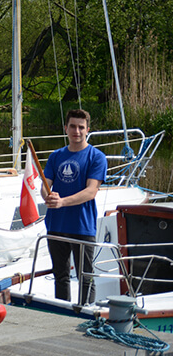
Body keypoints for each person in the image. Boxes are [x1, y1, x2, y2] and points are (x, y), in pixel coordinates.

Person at [42, 109, 107, 304]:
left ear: (88, 130)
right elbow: (45, 186)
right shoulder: (55, 156)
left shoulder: (97, 157)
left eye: (81, 127)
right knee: (60, 276)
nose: (76, 131)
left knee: (85, 278)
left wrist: (62, 202)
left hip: (82, 226)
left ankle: (85, 313)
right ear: (66, 128)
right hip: (56, 225)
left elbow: (91, 191)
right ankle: (63, 315)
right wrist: (48, 196)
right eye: (72, 126)